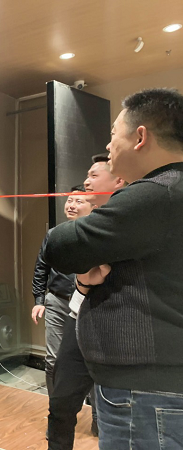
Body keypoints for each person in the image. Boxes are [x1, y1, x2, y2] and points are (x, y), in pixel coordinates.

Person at [45, 88, 183, 450]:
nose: (108, 145)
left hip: (145, 392)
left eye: (112, 134)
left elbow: (59, 246)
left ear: (141, 137)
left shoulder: (157, 193)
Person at [47, 155, 126, 449]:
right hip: (77, 318)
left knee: (114, 408)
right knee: (61, 401)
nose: (86, 181)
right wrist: (83, 283)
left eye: (94, 175)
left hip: (117, 324)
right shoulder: (84, 228)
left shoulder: (129, 223)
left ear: (118, 181)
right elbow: (78, 273)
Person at [31, 185, 94, 397]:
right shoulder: (54, 235)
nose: (71, 205)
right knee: (53, 359)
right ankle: (56, 410)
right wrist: (39, 300)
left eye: (79, 201)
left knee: (91, 359)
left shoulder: (98, 234)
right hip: (57, 301)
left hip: (89, 303)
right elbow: (41, 267)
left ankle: (96, 414)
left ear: (93, 206)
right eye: (69, 200)